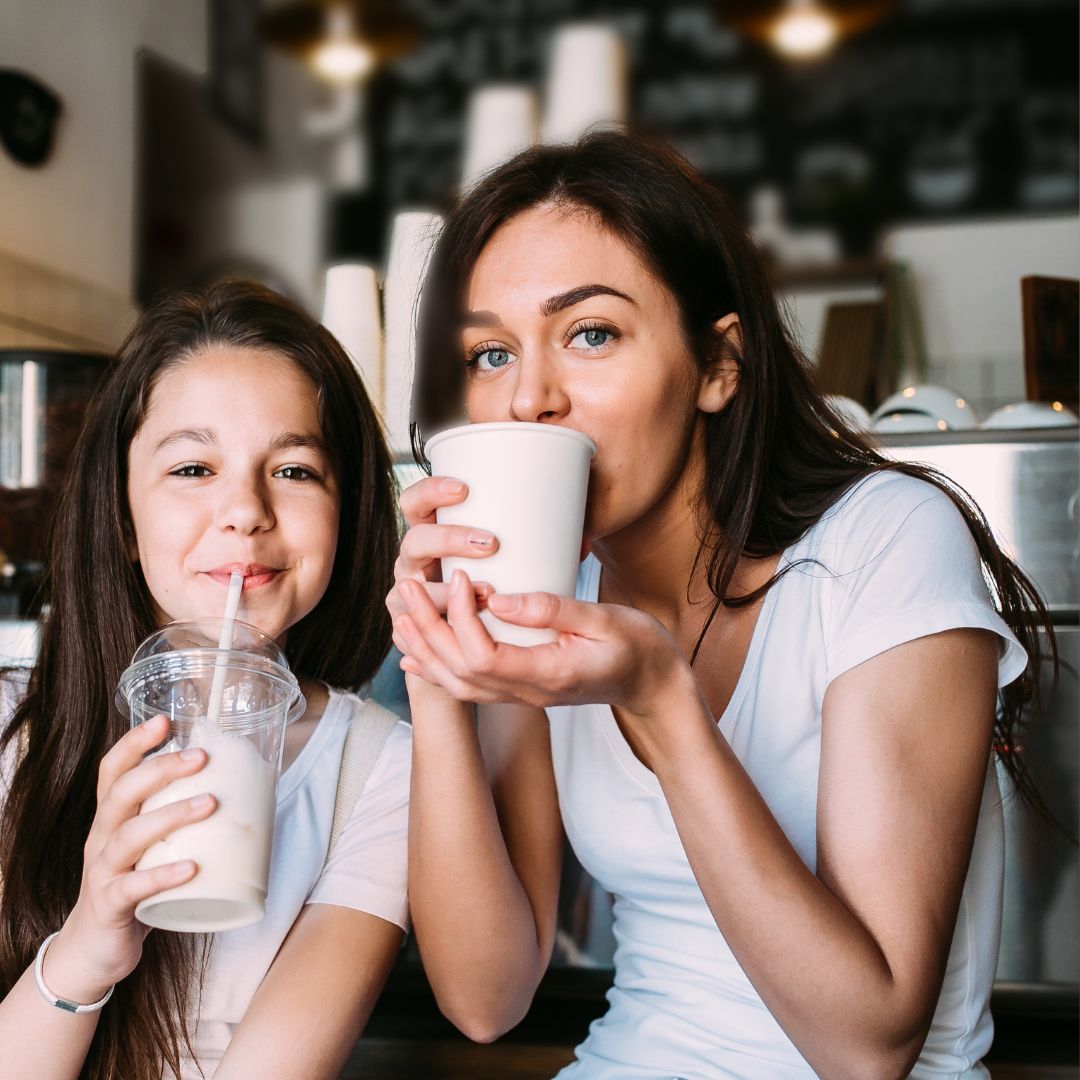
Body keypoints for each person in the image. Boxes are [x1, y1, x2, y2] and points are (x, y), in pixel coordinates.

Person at [388, 131, 1054, 1079]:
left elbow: (871, 1044)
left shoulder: (885, 542)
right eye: (490, 353)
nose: (528, 396)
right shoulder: (549, 602)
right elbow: (486, 998)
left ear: (717, 365)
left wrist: (662, 700)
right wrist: (436, 673)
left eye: (590, 334)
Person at [0, 281, 408, 1080]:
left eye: (294, 470)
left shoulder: (379, 769)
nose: (245, 510)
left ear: (348, 510)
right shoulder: (12, 728)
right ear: (122, 514)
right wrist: (85, 949)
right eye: (193, 466)